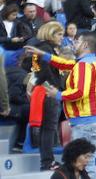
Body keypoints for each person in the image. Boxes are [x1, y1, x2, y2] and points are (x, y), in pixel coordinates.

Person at [27, 32, 96, 179]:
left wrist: (57, 94)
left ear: (85, 45)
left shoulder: (84, 65)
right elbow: (65, 64)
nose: (73, 44)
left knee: (86, 166)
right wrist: (43, 55)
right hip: (94, 121)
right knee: (88, 165)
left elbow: (80, 92)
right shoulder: (87, 61)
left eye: (77, 42)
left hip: (87, 123)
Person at [26, 22, 65, 171]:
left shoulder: (41, 48)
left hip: (44, 91)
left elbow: (35, 71)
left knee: (46, 129)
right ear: (51, 33)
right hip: (49, 93)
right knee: (49, 129)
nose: (62, 37)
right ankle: (48, 162)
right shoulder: (45, 50)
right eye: (59, 34)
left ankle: (46, 161)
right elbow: (42, 73)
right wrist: (53, 88)